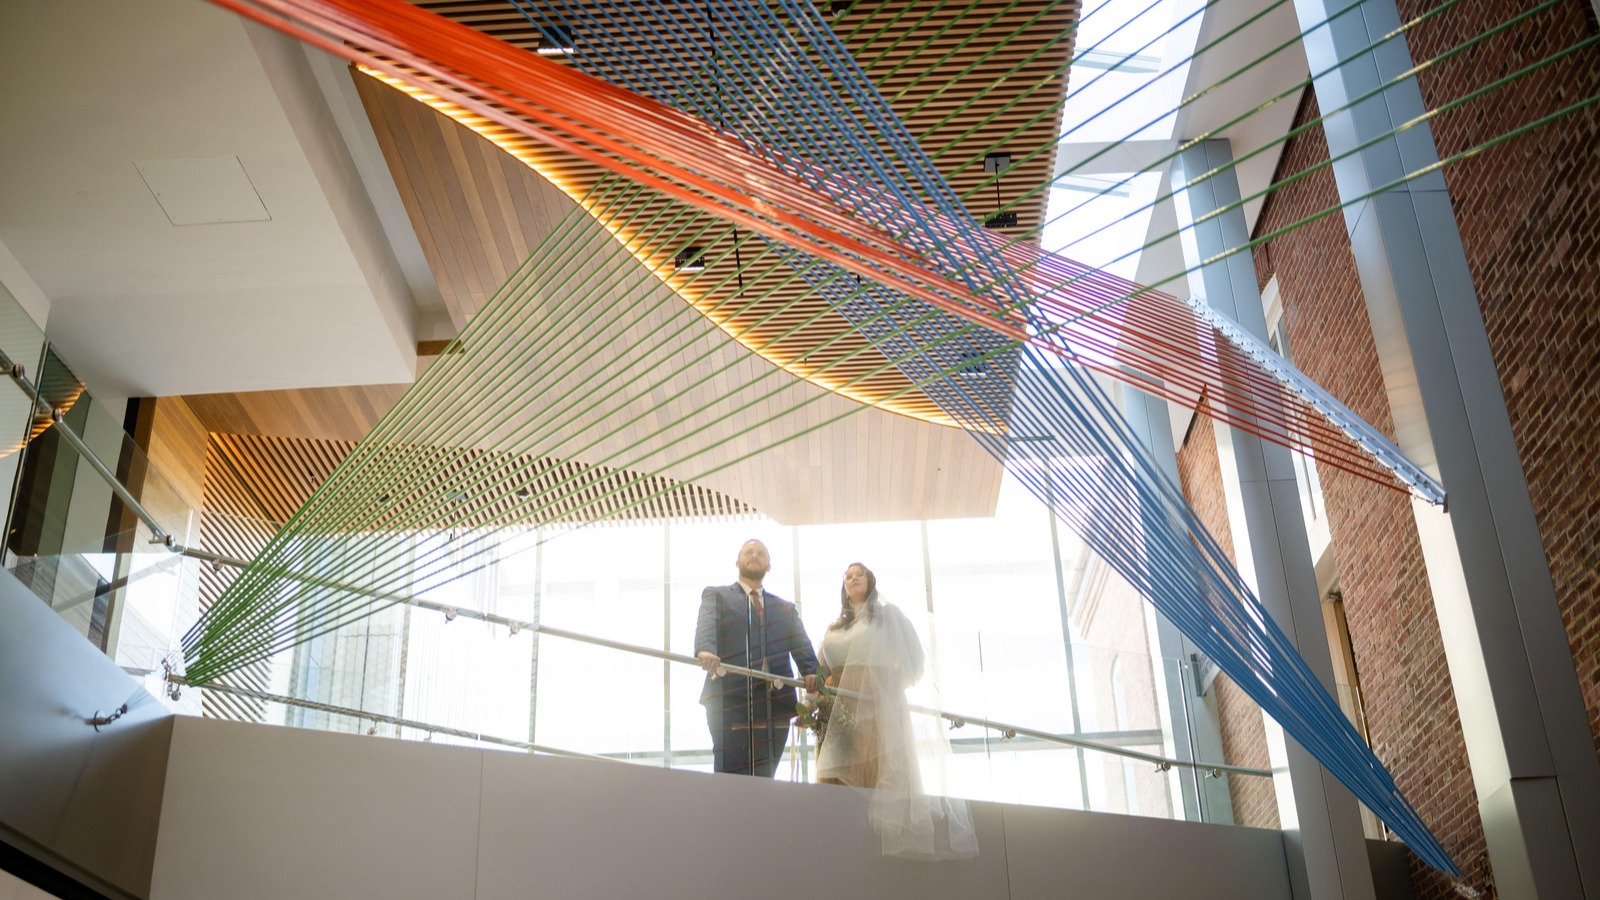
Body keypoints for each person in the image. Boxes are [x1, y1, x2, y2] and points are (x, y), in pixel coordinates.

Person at [815, 562, 978, 860]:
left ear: (870, 581)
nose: (853, 579)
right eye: (848, 576)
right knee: (833, 780)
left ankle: (867, 852)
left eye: (859, 574)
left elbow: (914, 661)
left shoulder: (887, 617)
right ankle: (839, 848)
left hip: (875, 708)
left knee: (872, 775)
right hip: (837, 709)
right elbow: (818, 669)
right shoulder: (834, 628)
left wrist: (884, 686)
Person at [695, 539, 819, 777]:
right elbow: (707, 624)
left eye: (761, 553)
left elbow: (802, 646)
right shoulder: (717, 595)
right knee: (729, 773)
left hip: (775, 702)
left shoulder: (785, 608)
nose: (754, 555)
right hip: (729, 698)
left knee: (765, 776)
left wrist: (810, 671)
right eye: (749, 552)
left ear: (769, 566)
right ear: (737, 561)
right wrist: (705, 650)